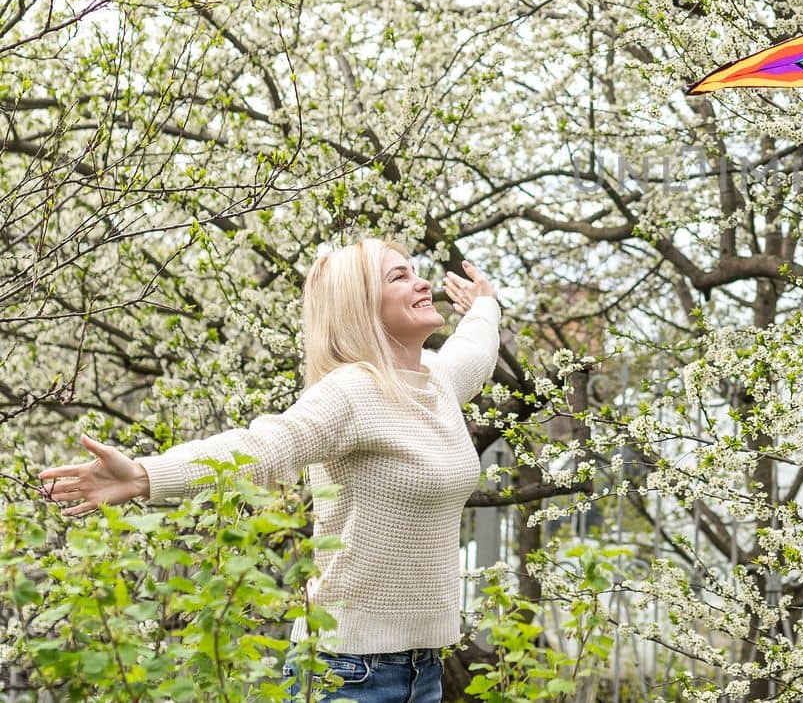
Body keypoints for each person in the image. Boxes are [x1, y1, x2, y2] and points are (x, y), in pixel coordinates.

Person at [39, 240, 502, 703]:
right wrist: (145, 475)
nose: (421, 281)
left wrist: (484, 304)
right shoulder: (351, 392)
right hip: (349, 674)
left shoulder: (437, 380)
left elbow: (475, 351)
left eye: (415, 270)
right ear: (361, 306)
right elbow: (259, 447)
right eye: (398, 277)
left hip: (424, 671)